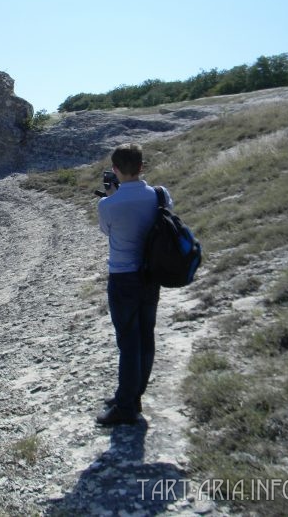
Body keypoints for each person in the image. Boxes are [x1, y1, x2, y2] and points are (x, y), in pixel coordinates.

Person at [95, 143, 172, 425]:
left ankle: (126, 407)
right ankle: (131, 395)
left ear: (115, 170)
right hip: (150, 275)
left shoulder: (107, 205)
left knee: (128, 342)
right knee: (145, 338)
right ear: (142, 167)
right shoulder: (161, 195)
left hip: (122, 277)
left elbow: (107, 231)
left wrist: (112, 196)